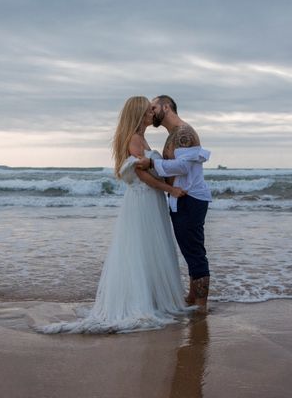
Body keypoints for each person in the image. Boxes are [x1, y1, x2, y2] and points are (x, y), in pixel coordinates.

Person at [37, 96, 191, 334]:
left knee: (149, 250)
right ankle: (140, 303)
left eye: (153, 109)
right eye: (148, 110)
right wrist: (170, 189)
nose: (153, 113)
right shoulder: (135, 140)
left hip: (150, 200)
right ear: (139, 114)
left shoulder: (141, 138)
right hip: (143, 201)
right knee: (141, 249)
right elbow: (143, 176)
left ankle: (152, 299)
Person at [136, 95, 212, 312]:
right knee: (189, 251)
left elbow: (183, 167)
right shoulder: (174, 135)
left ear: (166, 107)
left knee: (195, 252)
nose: (150, 111)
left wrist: (152, 162)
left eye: (153, 107)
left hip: (191, 199)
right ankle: (192, 297)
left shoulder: (184, 133)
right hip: (181, 199)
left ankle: (201, 305)